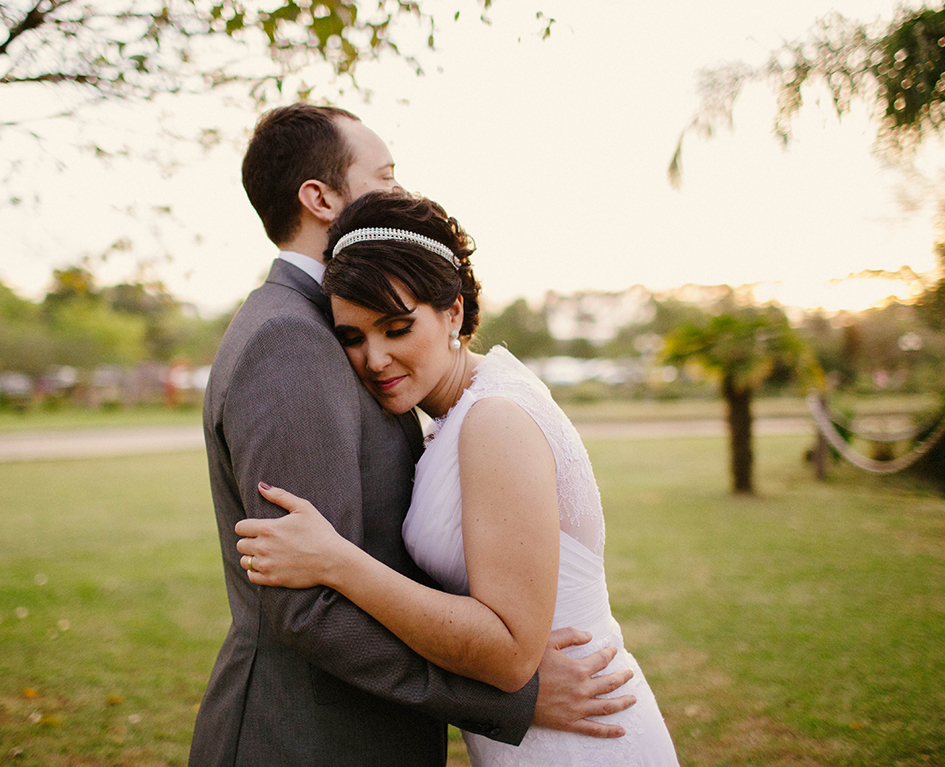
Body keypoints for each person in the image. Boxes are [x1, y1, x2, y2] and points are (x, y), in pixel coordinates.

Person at [190, 105, 636, 766]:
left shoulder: (342, 332)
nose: (400, 194)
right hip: (307, 741)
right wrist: (511, 697)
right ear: (321, 197)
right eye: (387, 178)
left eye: (394, 328)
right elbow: (305, 605)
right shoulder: (289, 338)